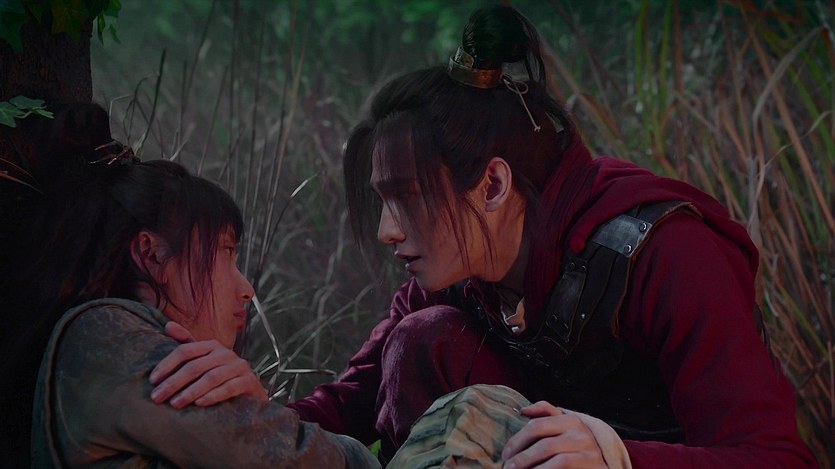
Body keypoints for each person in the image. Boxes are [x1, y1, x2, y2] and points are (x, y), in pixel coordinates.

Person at [152, 5, 818, 468]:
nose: (387, 230)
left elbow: (776, 458)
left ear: (493, 185)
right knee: (423, 340)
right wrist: (247, 406)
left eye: (406, 199)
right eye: (382, 202)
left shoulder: (662, 251)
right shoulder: (454, 275)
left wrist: (616, 455)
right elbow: (347, 404)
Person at [0, 103, 379, 468]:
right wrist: (349, 453)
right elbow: (301, 460)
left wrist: (258, 411)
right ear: (152, 255)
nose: (247, 289)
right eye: (226, 251)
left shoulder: (113, 347)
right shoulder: (107, 336)